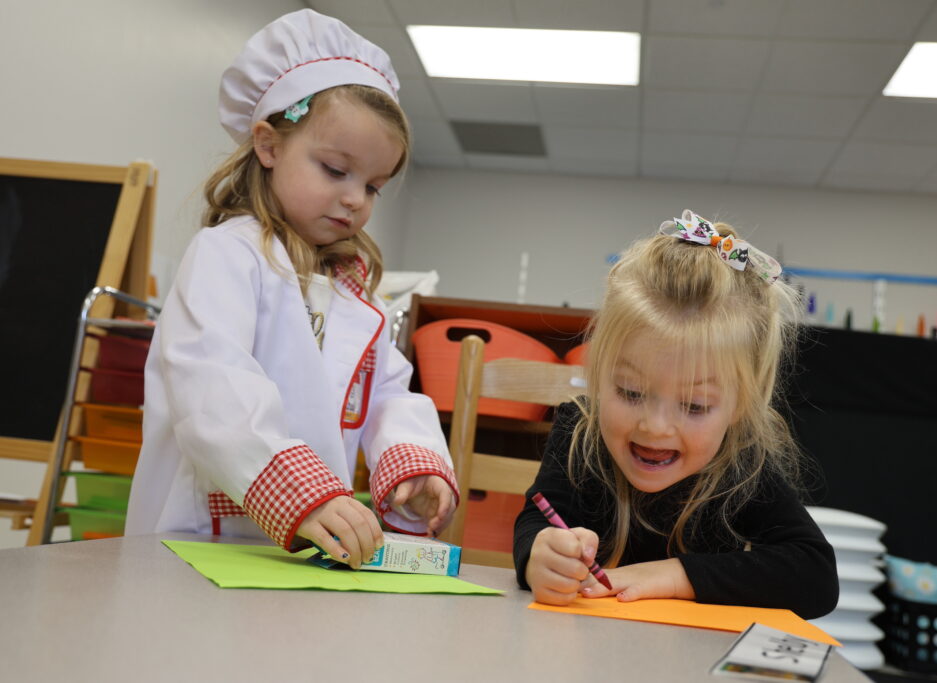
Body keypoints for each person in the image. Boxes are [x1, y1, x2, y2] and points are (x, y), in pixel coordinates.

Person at [126, 9, 458, 568]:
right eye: (335, 170)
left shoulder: (354, 294)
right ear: (268, 145)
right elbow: (211, 383)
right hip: (197, 541)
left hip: (302, 548)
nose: (356, 199)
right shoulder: (228, 255)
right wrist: (295, 492)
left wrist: (413, 460)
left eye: (373, 185)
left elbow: (389, 394)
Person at [513, 210, 839, 619]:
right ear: (599, 373)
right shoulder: (579, 429)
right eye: (630, 392)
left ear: (740, 406)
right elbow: (537, 519)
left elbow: (816, 576)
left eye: (695, 406)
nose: (655, 426)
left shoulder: (742, 460)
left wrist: (674, 576)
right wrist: (538, 554)